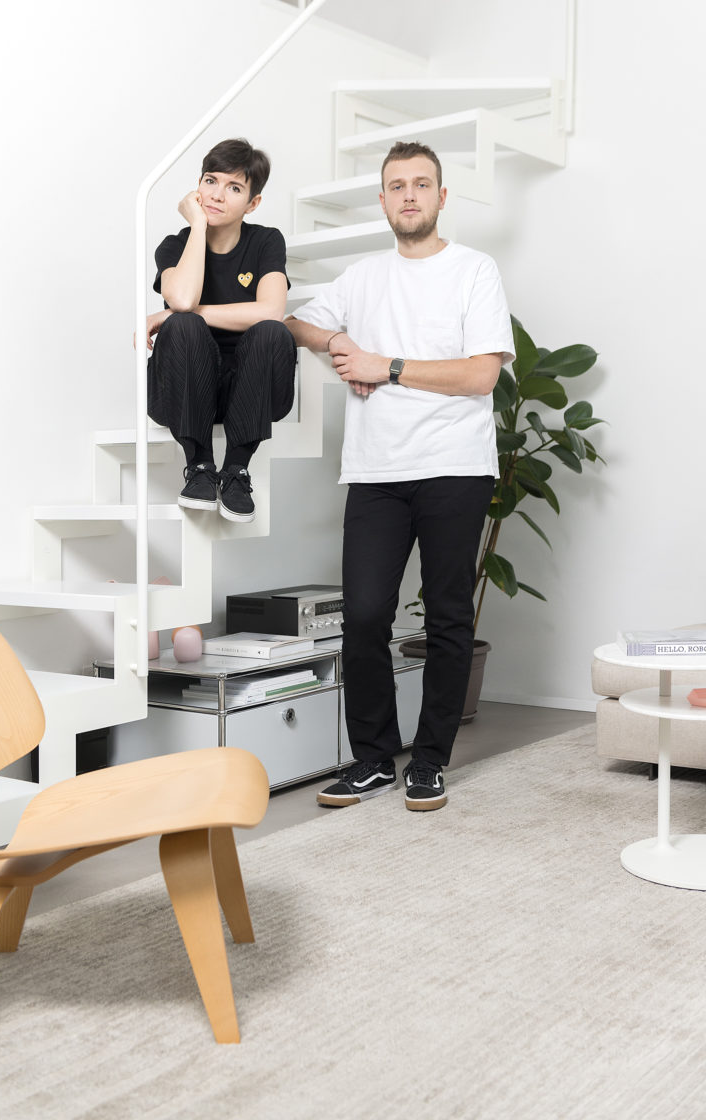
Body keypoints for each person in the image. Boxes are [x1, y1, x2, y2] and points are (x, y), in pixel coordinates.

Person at [286, 140, 514, 812]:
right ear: (383, 200)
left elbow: (481, 373)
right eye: (396, 185)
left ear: (442, 197)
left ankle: (431, 760)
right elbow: (296, 320)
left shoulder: (475, 270)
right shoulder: (361, 278)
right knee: (362, 617)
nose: (408, 195)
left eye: (421, 184)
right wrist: (337, 345)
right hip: (377, 471)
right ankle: (375, 760)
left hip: (455, 466)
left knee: (447, 618)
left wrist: (385, 366)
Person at [144, 137, 296, 523]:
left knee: (271, 332)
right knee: (183, 323)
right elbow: (180, 299)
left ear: (252, 203)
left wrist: (187, 312)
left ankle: (236, 470)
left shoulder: (265, 241)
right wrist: (197, 226)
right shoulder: (174, 245)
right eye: (210, 181)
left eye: (234, 188)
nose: (216, 195)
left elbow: (273, 310)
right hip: (187, 388)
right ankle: (198, 465)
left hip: (251, 388)